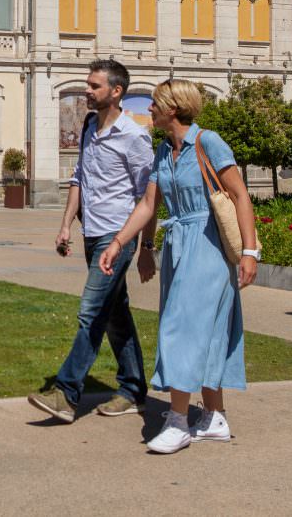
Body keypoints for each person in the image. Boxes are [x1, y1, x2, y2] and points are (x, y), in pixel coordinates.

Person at [98, 79, 260, 454]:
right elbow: (148, 206)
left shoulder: (208, 142)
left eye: (155, 104)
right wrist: (127, 244)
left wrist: (250, 253)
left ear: (173, 109)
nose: (149, 110)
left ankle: (178, 421)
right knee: (202, 330)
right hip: (178, 246)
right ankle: (215, 416)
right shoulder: (162, 151)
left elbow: (239, 195)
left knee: (181, 328)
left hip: (207, 246)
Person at [28, 59, 155, 423]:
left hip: (119, 237)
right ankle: (133, 390)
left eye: (94, 86)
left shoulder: (134, 137)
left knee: (91, 311)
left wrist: (145, 248)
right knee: (116, 316)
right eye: (87, 84)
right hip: (92, 233)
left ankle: (67, 394)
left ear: (116, 92)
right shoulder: (88, 126)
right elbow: (79, 178)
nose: (87, 90)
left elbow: (149, 198)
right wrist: (66, 224)